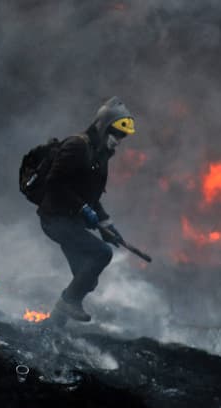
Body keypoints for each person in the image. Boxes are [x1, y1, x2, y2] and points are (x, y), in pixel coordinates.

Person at [37, 96, 135, 322]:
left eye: (123, 136)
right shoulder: (77, 146)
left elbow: (92, 196)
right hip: (55, 220)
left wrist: (106, 225)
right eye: (116, 134)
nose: (119, 140)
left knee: (87, 279)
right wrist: (82, 208)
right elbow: (55, 182)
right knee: (102, 253)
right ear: (103, 127)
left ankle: (54, 324)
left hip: (72, 221)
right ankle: (68, 301)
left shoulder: (100, 154)